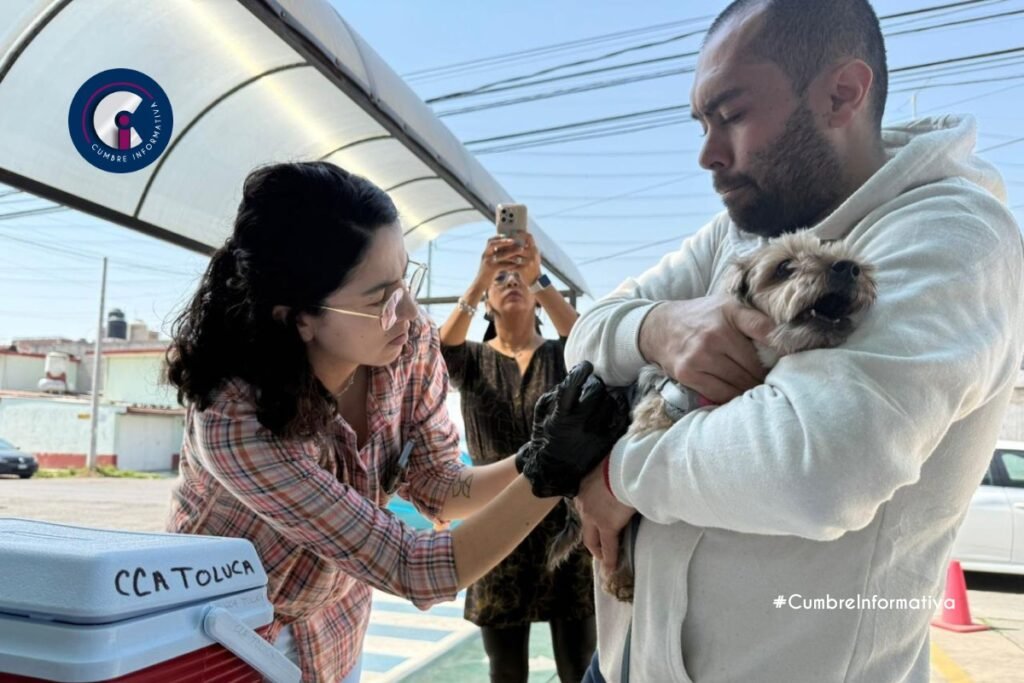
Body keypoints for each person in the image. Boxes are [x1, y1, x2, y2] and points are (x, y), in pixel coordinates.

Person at [566, 1, 1024, 681]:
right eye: (702, 124)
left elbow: (815, 465)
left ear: (842, 93)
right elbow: (585, 333)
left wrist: (619, 476)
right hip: (625, 661)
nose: (707, 154)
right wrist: (658, 326)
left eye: (731, 114)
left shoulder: (953, 234)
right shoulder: (739, 232)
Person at [164, 161, 629, 683]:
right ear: (298, 317)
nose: (409, 311)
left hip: (334, 623)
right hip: (221, 632)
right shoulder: (235, 417)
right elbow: (413, 566)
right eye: (380, 297)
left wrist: (539, 453)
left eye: (405, 279)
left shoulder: (407, 347)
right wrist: (550, 473)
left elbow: (440, 487)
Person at [438, 232, 594, 682]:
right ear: (486, 304)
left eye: (519, 279)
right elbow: (441, 351)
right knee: (506, 671)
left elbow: (589, 339)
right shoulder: (471, 360)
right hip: (494, 522)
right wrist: (479, 277)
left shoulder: (562, 355)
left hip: (565, 524)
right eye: (500, 280)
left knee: (579, 665)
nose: (512, 283)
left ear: (538, 301)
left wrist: (538, 277)